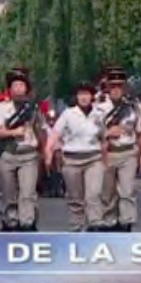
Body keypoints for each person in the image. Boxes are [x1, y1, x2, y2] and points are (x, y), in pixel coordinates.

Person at [0, 68, 44, 231]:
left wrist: (45, 153)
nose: (18, 89)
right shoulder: (0, 108)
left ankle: (28, 222)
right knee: (8, 193)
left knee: (27, 193)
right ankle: (10, 221)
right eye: (15, 85)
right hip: (7, 155)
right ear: (10, 89)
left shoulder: (33, 109)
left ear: (27, 89)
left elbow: (41, 130)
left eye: (21, 85)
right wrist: (12, 132)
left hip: (28, 155)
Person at [47, 82, 105, 232]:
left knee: (93, 194)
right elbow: (55, 133)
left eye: (87, 94)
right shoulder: (68, 114)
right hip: (72, 160)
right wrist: (48, 151)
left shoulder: (99, 114)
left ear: (92, 96)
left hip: (94, 159)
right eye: (81, 94)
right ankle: (76, 226)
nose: (84, 97)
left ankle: (95, 224)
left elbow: (105, 136)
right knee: (75, 198)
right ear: (76, 97)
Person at [98, 67, 141, 232]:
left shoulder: (134, 106)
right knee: (107, 193)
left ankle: (126, 223)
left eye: (119, 86)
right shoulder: (99, 106)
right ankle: (108, 222)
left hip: (128, 152)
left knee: (127, 191)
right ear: (107, 87)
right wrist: (106, 133)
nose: (116, 89)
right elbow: (88, 132)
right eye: (112, 86)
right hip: (107, 153)